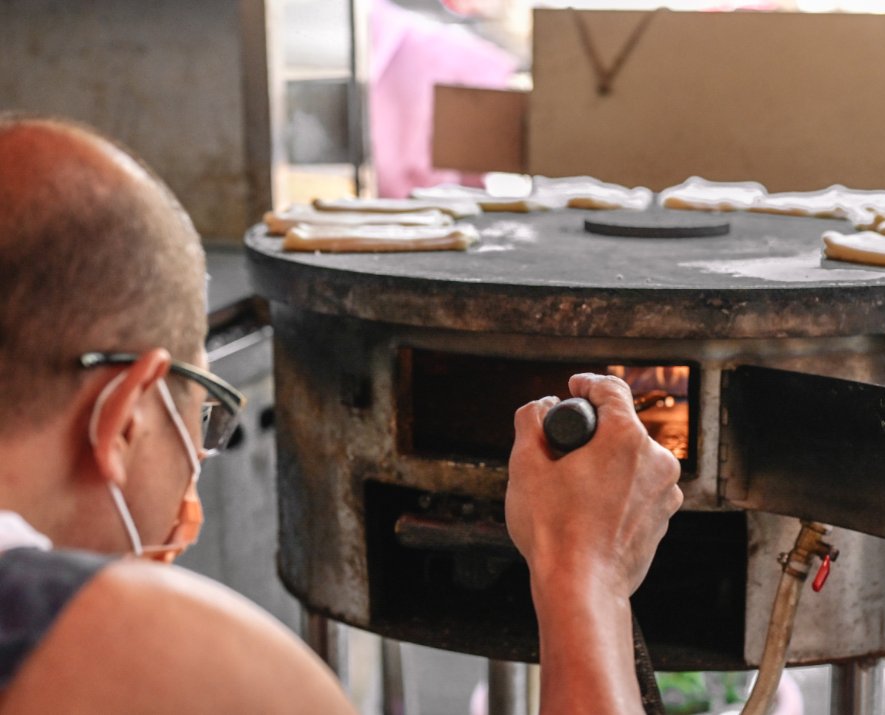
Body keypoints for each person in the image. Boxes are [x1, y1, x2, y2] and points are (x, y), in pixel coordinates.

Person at [0, 114, 683, 714]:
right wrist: (584, 570)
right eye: (204, 414)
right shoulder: (163, 660)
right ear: (125, 415)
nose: (198, 460)